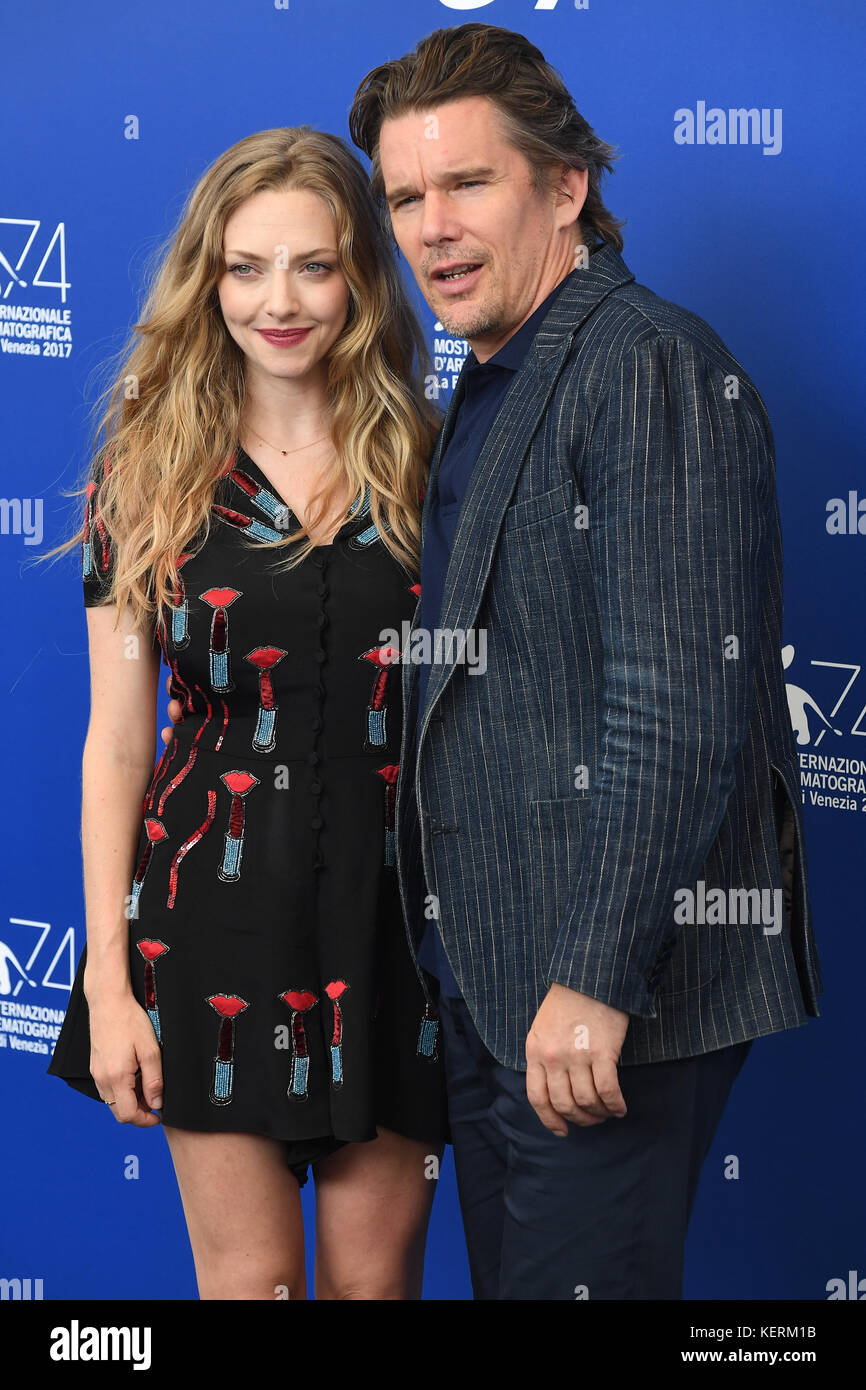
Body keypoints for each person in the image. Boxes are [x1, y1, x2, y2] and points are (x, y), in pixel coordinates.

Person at [342, 22, 821, 1298]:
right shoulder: (494, 379)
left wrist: (596, 979)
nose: (430, 225)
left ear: (566, 186)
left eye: (466, 182)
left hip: (598, 996)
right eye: (403, 196)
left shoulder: (645, 366)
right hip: (499, 982)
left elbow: (675, 704)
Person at [45, 127, 449, 1301]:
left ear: (360, 280)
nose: (280, 301)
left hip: (396, 939)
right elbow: (117, 743)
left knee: (373, 1293)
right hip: (206, 926)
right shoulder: (147, 473)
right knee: (254, 1292)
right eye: (246, 267)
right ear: (206, 280)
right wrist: (110, 991)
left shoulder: (432, 465)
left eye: (313, 266)